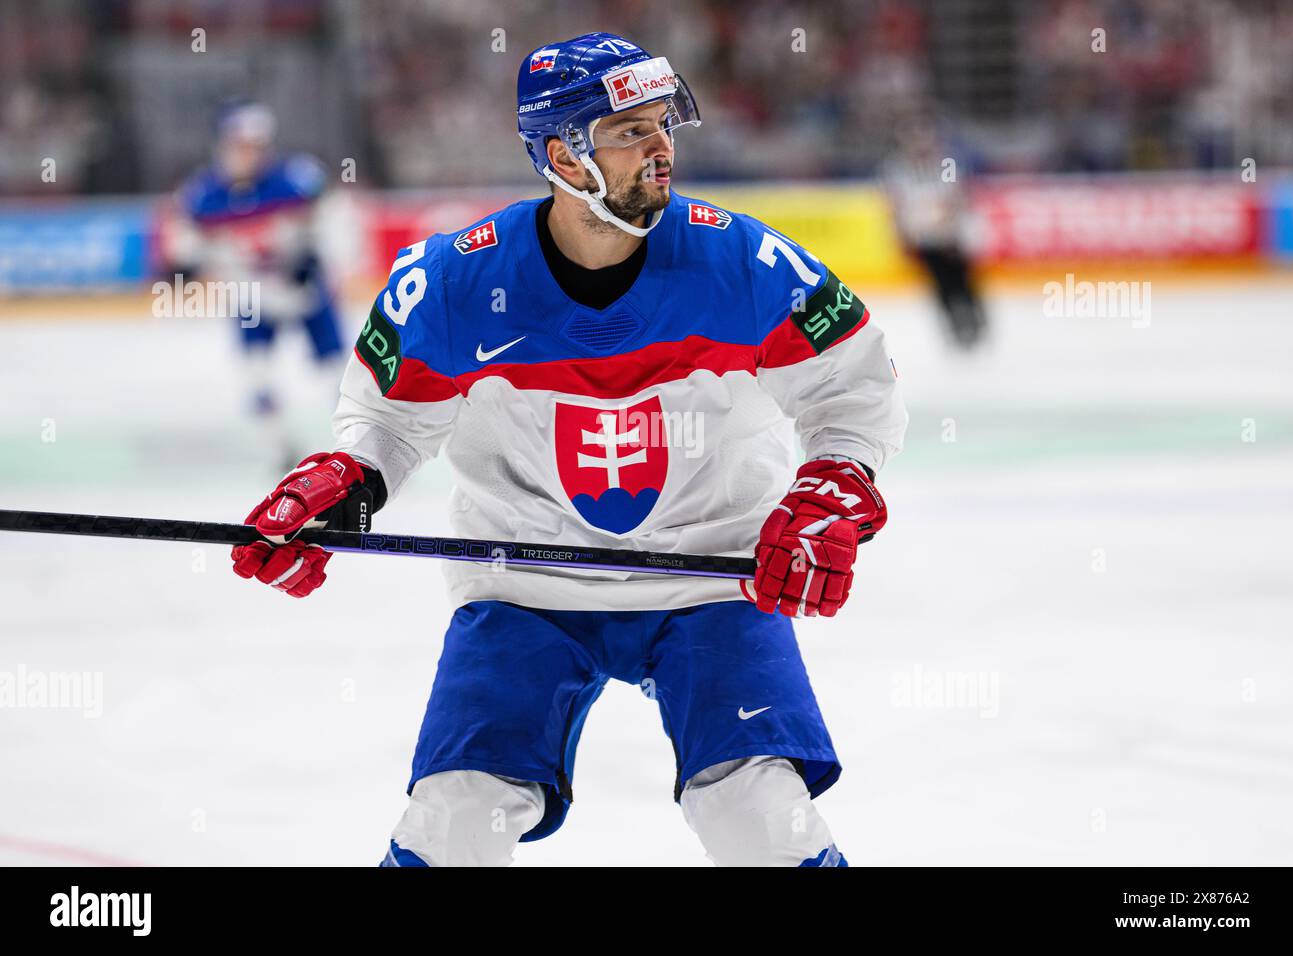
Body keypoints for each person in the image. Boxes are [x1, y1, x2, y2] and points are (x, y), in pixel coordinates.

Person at [230, 33, 907, 866]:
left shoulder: (742, 260)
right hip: (525, 582)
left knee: (761, 817)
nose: (660, 148)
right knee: (456, 822)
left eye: (663, 124)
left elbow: (852, 388)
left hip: (710, 576)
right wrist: (345, 481)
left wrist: (834, 485)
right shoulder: (452, 282)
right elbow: (391, 422)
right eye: (629, 132)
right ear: (562, 154)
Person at [165, 99, 344, 469]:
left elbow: (334, 221)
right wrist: (180, 269)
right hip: (251, 295)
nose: (250, 153)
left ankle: (358, 446)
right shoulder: (203, 194)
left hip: (303, 290)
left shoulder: (297, 179)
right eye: (242, 144)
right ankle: (281, 448)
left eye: (257, 145)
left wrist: (313, 257)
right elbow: (184, 248)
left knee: (336, 371)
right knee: (255, 374)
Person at [881, 115, 989, 348]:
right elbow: (895, 202)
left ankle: (975, 320)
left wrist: (948, 222)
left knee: (962, 278)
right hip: (923, 236)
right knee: (939, 283)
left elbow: (955, 195)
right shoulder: (897, 169)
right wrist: (903, 233)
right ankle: (954, 325)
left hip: (950, 234)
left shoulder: (946, 164)